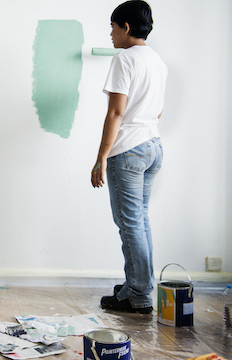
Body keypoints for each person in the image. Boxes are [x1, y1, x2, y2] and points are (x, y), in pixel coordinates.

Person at [91, 0, 167, 314]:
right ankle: (136, 285)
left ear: (126, 27)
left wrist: (100, 158)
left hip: (129, 150)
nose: (110, 33)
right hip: (153, 145)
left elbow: (116, 113)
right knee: (140, 222)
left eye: (112, 26)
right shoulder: (157, 60)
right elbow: (158, 110)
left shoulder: (125, 60)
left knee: (129, 225)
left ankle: (137, 295)